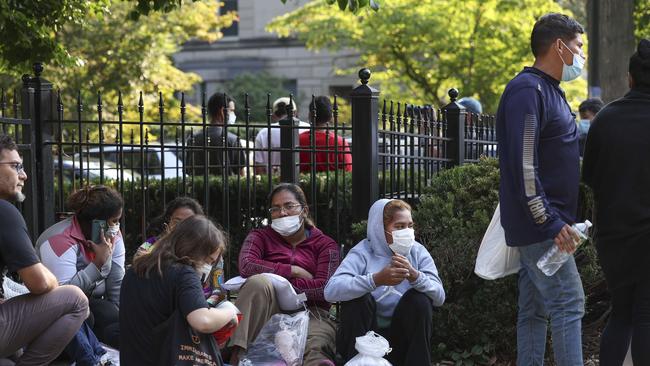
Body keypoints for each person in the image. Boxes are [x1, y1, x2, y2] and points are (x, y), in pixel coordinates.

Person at [496, 13, 586, 366]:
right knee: (568, 303)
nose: (581, 55)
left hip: (548, 225)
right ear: (559, 46)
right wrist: (550, 222)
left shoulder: (545, 90)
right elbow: (524, 165)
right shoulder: (527, 90)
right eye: (578, 46)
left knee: (533, 309)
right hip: (544, 228)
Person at [582, 39, 650, 366]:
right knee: (646, 316)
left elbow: (590, 176)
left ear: (630, 78)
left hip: (614, 236)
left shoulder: (606, 119)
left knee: (621, 314)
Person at [0, 134, 89, 365]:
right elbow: (39, 283)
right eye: (15, 166)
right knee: (76, 299)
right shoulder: (4, 212)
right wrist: (54, 282)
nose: (24, 175)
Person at [228, 183, 340, 366]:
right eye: (276, 208)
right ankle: (237, 354)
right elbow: (247, 265)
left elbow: (324, 288)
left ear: (304, 210)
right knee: (257, 282)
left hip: (312, 312)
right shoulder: (260, 236)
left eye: (289, 206)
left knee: (314, 345)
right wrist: (292, 271)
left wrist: (286, 286)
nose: (282, 213)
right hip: (269, 308)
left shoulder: (326, 244)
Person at [324, 199, 444, 366]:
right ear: (380, 228)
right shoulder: (363, 252)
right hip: (366, 339)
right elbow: (331, 291)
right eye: (399, 227)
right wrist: (375, 280)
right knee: (357, 300)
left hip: (401, 339)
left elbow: (439, 296)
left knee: (420, 300)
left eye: (410, 225)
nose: (407, 232)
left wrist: (416, 276)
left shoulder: (417, 251)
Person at [119, 215, 238, 366]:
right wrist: (229, 311)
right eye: (208, 261)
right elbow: (203, 320)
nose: (208, 267)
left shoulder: (135, 270)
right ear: (194, 250)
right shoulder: (184, 273)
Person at [36, 185, 125, 349]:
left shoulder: (112, 236)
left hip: (91, 303)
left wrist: (121, 323)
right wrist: (97, 264)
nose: (117, 226)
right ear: (98, 223)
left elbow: (116, 283)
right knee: (87, 317)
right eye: (114, 221)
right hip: (53, 310)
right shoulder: (58, 240)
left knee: (111, 314)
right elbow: (64, 297)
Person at [187, 93, 247, 176]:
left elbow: (189, 171)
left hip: (198, 188)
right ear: (222, 111)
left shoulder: (193, 138)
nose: (234, 114)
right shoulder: (232, 140)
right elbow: (241, 175)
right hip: (227, 188)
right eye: (232, 111)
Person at [134, 196, 205, 259]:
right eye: (177, 222)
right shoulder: (151, 242)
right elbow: (137, 258)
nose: (182, 226)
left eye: (188, 222)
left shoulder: (201, 247)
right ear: (168, 221)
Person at [254, 97, 310, 174]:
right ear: (295, 113)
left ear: (273, 115)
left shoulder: (264, 133)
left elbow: (259, 167)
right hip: (302, 179)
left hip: (272, 181)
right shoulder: (308, 128)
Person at [299, 96, 352, 173]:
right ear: (331, 117)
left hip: (301, 184)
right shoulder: (340, 143)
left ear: (310, 115)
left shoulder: (298, 140)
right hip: (333, 185)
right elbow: (348, 172)